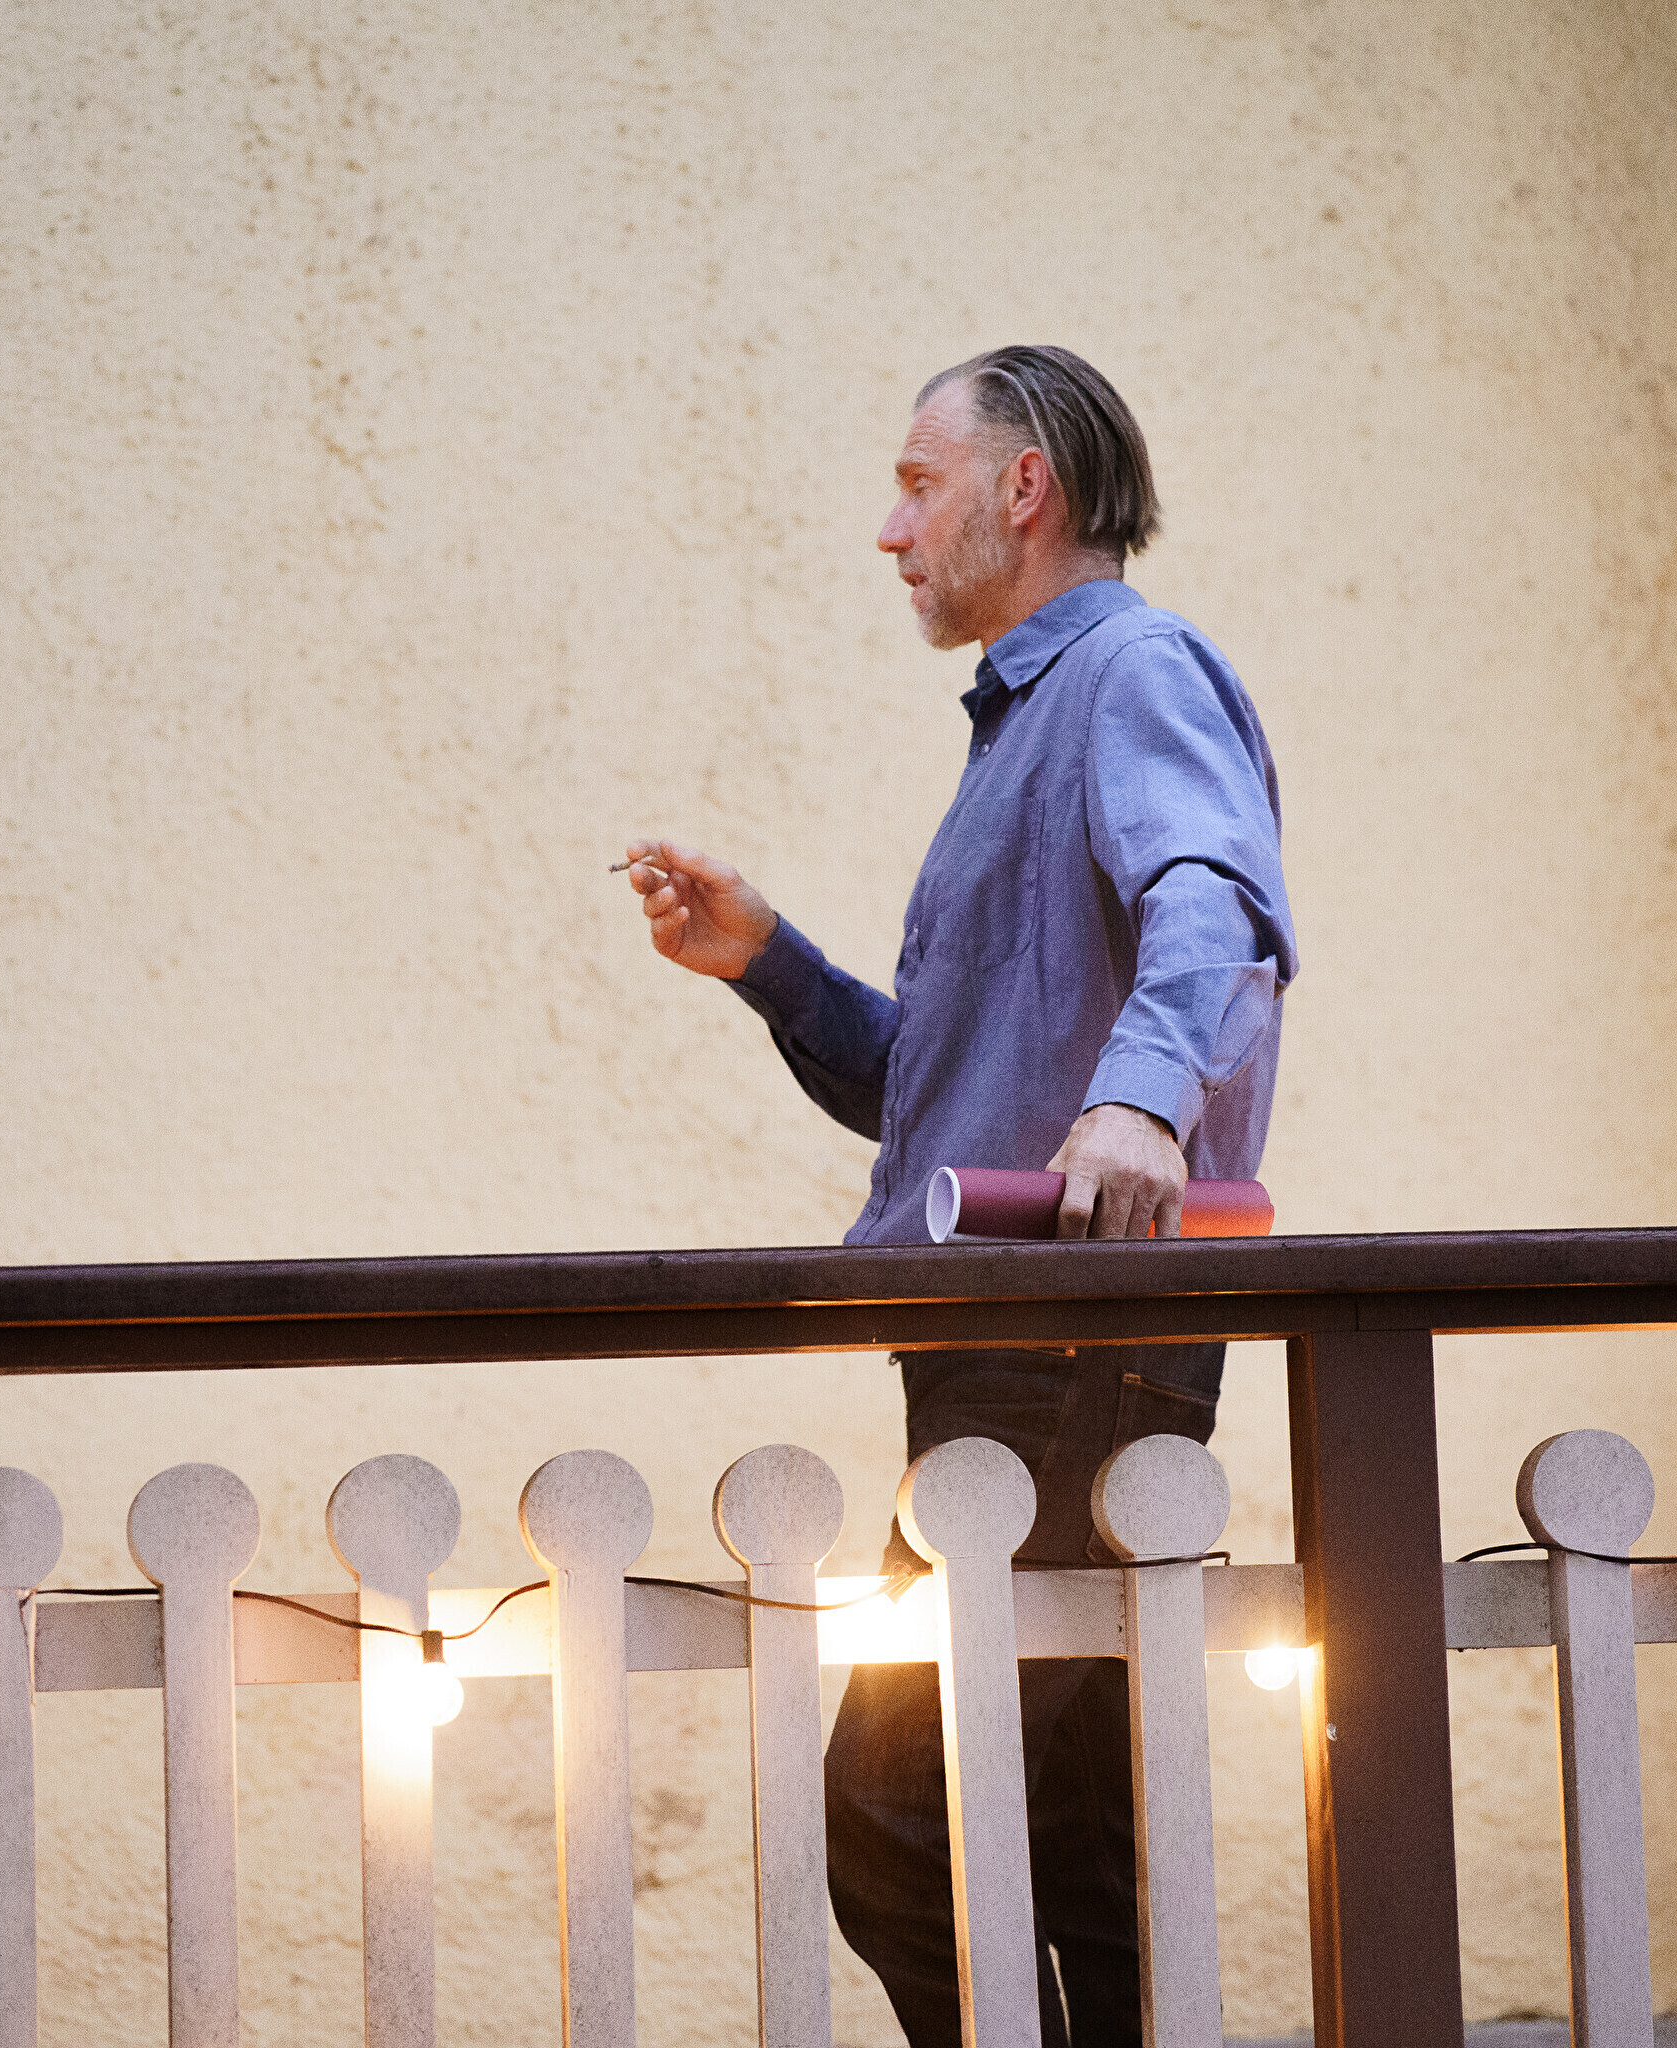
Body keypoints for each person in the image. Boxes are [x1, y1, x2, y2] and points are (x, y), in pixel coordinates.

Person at [620, 345, 1295, 2047]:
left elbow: (1216, 900)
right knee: (1071, 1840)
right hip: (1035, 1338)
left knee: (893, 1813)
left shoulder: (1130, 670)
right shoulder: (1031, 723)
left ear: (1024, 489)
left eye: (919, 485)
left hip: (1071, 1338)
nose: (890, 529)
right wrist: (769, 965)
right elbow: (951, 1096)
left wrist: (1142, 1100)